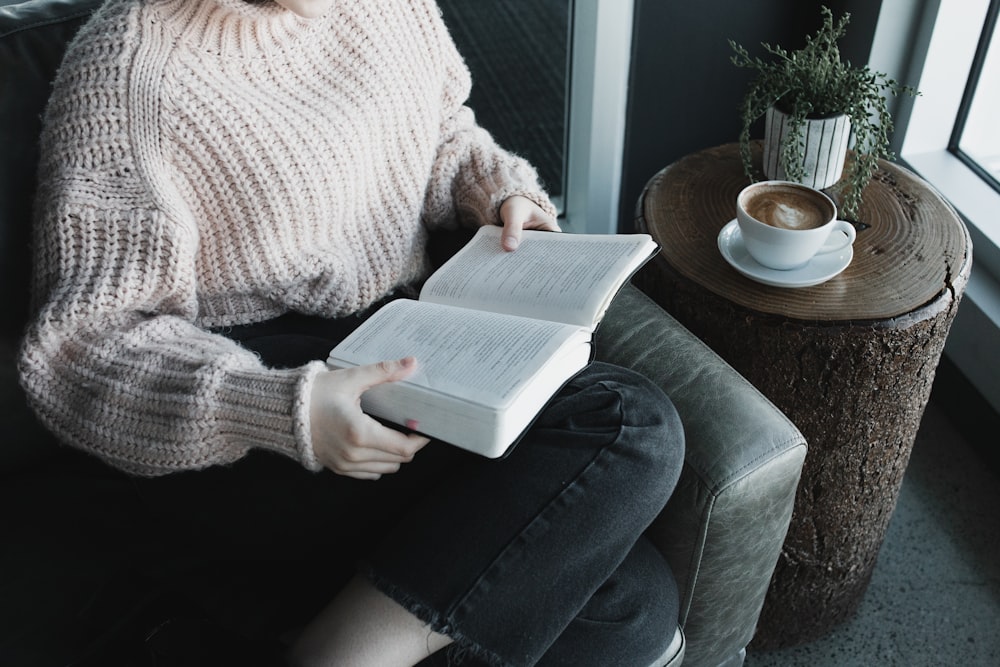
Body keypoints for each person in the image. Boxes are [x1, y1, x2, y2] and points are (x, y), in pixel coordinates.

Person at [18, 0, 685, 664]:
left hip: (397, 344)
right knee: (629, 423)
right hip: (252, 415)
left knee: (632, 609)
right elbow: (85, 343)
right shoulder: (124, 67)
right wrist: (283, 405)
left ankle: (284, 623)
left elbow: (439, 130)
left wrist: (497, 190)